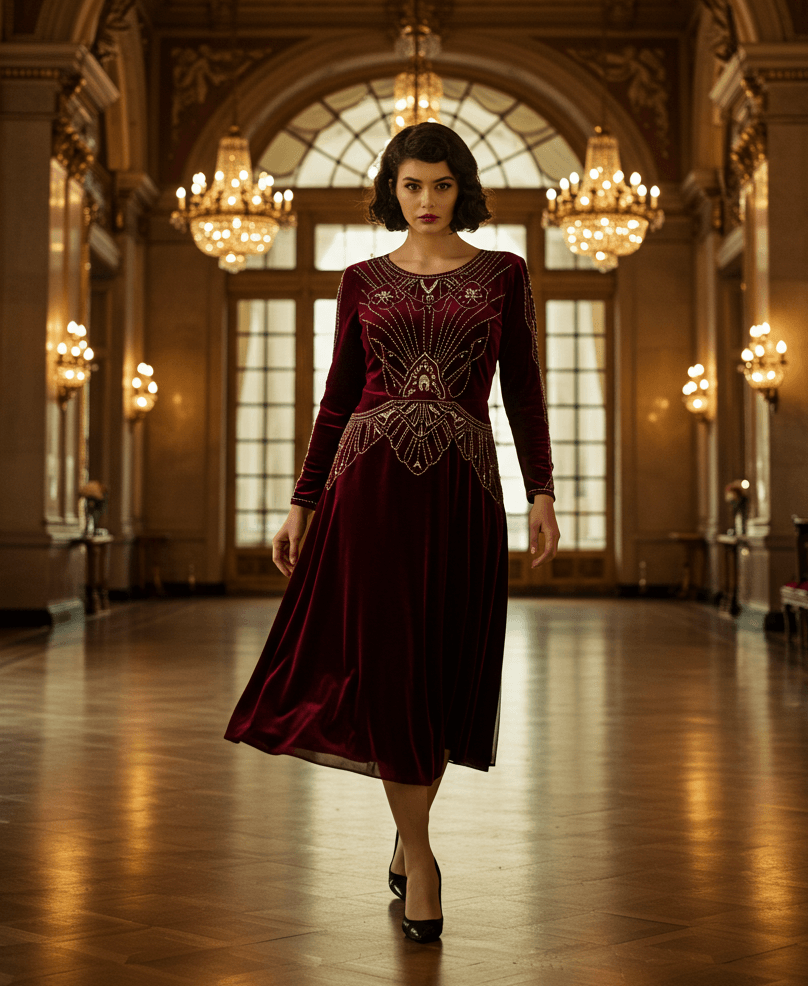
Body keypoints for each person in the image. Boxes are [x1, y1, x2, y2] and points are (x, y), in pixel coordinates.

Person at [225, 122, 559, 943]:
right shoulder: (360, 280)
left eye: (442, 186)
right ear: (392, 190)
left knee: (439, 665)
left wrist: (542, 492)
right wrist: (302, 501)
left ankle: (409, 838)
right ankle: (422, 854)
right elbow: (337, 399)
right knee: (389, 667)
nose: (427, 201)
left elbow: (523, 390)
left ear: (463, 188)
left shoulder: (505, 275)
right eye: (412, 186)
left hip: (465, 492)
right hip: (367, 491)